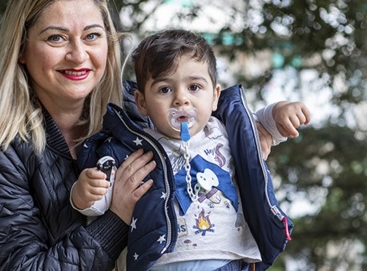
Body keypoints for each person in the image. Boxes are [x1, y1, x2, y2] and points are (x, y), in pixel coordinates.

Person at [0, 0, 159, 270]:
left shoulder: (139, 114)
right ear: (20, 49)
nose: (78, 54)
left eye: (92, 36)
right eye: (56, 38)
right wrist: (116, 220)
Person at [73, 29, 311, 271]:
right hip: (160, 263)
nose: (181, 99)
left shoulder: (224, 131)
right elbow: (100, 204)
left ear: (215, 96)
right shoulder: (131, 148)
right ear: (142, 102)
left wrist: (280, 112)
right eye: (165, 89)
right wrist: (83, 194)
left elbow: (261, 128)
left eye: (194, 87)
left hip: (226, 259)